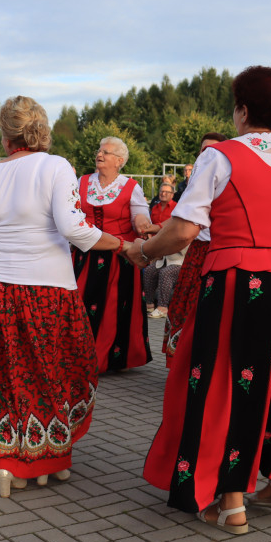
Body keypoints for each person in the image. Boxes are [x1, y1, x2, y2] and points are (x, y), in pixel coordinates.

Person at [127, 66, 271, 534]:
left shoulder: (222, 156)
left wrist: (144, 252)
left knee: (222, 384)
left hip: (239, 280)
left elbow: (185, 230)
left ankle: (230, 498)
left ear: (243, 110)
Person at [0, 95, 125, 497]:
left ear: (5, 135)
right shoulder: (56, 166)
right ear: (41, 128)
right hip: (46, 288)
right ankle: (43, 457)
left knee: (2, 373)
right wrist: (121, 245)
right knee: (55, 371)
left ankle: (15, 461)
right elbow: (74, 228)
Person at [74, 137, 156, 373]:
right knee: (81, 303)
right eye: (99, 151)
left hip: (120, 256)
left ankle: (107, 359)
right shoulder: (82, 182)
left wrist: (143, 225)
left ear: (119, 161)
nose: (100, 155)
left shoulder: (130, 187)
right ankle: (80, 357)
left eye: (106, 152)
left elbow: (140, 216)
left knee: (113, 308)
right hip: (86, 253)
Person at [162, 131, 228, 365]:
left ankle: (203, 364)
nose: (207, 154)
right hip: (197, 251)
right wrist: (156, 230)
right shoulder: (196, 180)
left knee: (208, 311)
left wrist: (148, 249)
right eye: (203, 150)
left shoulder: (227, 179)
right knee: (185, 306)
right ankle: (183, 362)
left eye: (214, 149)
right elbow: (181, 219)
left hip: (219, 251)